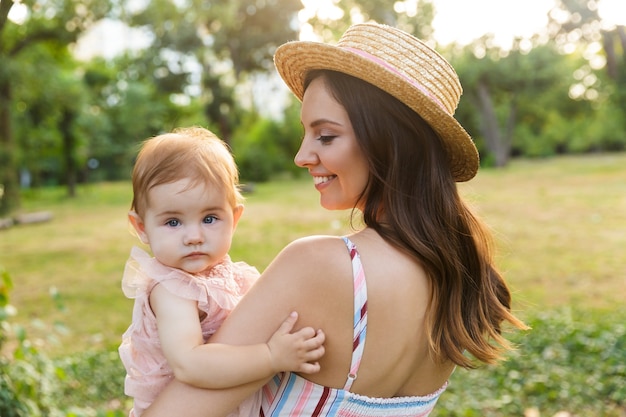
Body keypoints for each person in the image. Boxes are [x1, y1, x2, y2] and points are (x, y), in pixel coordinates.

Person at [143, 22, 528, 417]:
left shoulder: (318, 266)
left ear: (388, 144)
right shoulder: (460, 275)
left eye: (325, 136)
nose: (302, 155)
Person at [118, 126, 325, 417]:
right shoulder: (171, 290)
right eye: (173, 222)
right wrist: (270, 357)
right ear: (142, 227)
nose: (194, 236)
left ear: (235, 218)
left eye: (210, 218)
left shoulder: (229, 275)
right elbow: (189, 364)